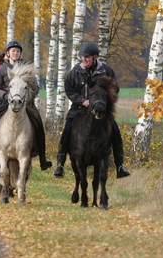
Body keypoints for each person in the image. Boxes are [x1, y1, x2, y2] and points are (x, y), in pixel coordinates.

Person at [53, 41, 130, 179]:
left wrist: (103, 102)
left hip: (100, 110)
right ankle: (60, 165)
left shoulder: (106, 71)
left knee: (115, 129)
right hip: (79, 109)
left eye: (87, 57)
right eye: (82, 57)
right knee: (67, 129)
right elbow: (69, 90)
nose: (83, 60)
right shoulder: (74, 72)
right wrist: (83, 101)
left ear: (95, 57)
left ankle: (120, 166)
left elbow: (115, 89)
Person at [0, 40, 53, 171]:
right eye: (13, 51)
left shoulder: (27, 68)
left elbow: (36, 87)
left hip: (23, 102)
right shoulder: (1, 69)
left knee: (37, 121)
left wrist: (27, 95)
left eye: (18, 51)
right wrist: (5, 95)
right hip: (4, 101)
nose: (15, 53)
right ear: (8, 53)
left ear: (20, 53)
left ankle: (42, 157)